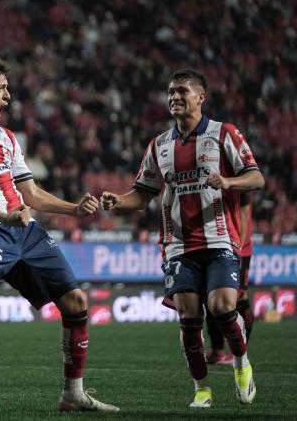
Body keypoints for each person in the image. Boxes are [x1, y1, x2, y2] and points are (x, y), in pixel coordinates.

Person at [0, 56, 118, 413]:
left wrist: (73, 208)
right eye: (1, 89)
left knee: (76, 303)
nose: (8, 96)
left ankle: (73, 394)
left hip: (25, 232)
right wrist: (4, 216)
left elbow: (30, 194)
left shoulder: (4, 135)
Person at [101, 69, 263, 408]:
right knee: (188, 318)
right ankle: (202, 389)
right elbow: (141, 194)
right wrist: (119, 200)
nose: (174, 97)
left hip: (219, 240)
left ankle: (241, 362)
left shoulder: (224, 134)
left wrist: (229, 183)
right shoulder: (159, 145)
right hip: (177, 245)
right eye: (171, 92)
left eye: (182, 91)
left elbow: (256, 177)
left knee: (222, 307)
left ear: (200, 97)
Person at [205, 191, 255, 364]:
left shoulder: (236, 173)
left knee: (240, 295)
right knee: (210, 297)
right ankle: (217, 350)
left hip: (236, 246)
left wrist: (237, 247)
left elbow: (244, 211)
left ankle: (240, 351)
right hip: (216, 243)